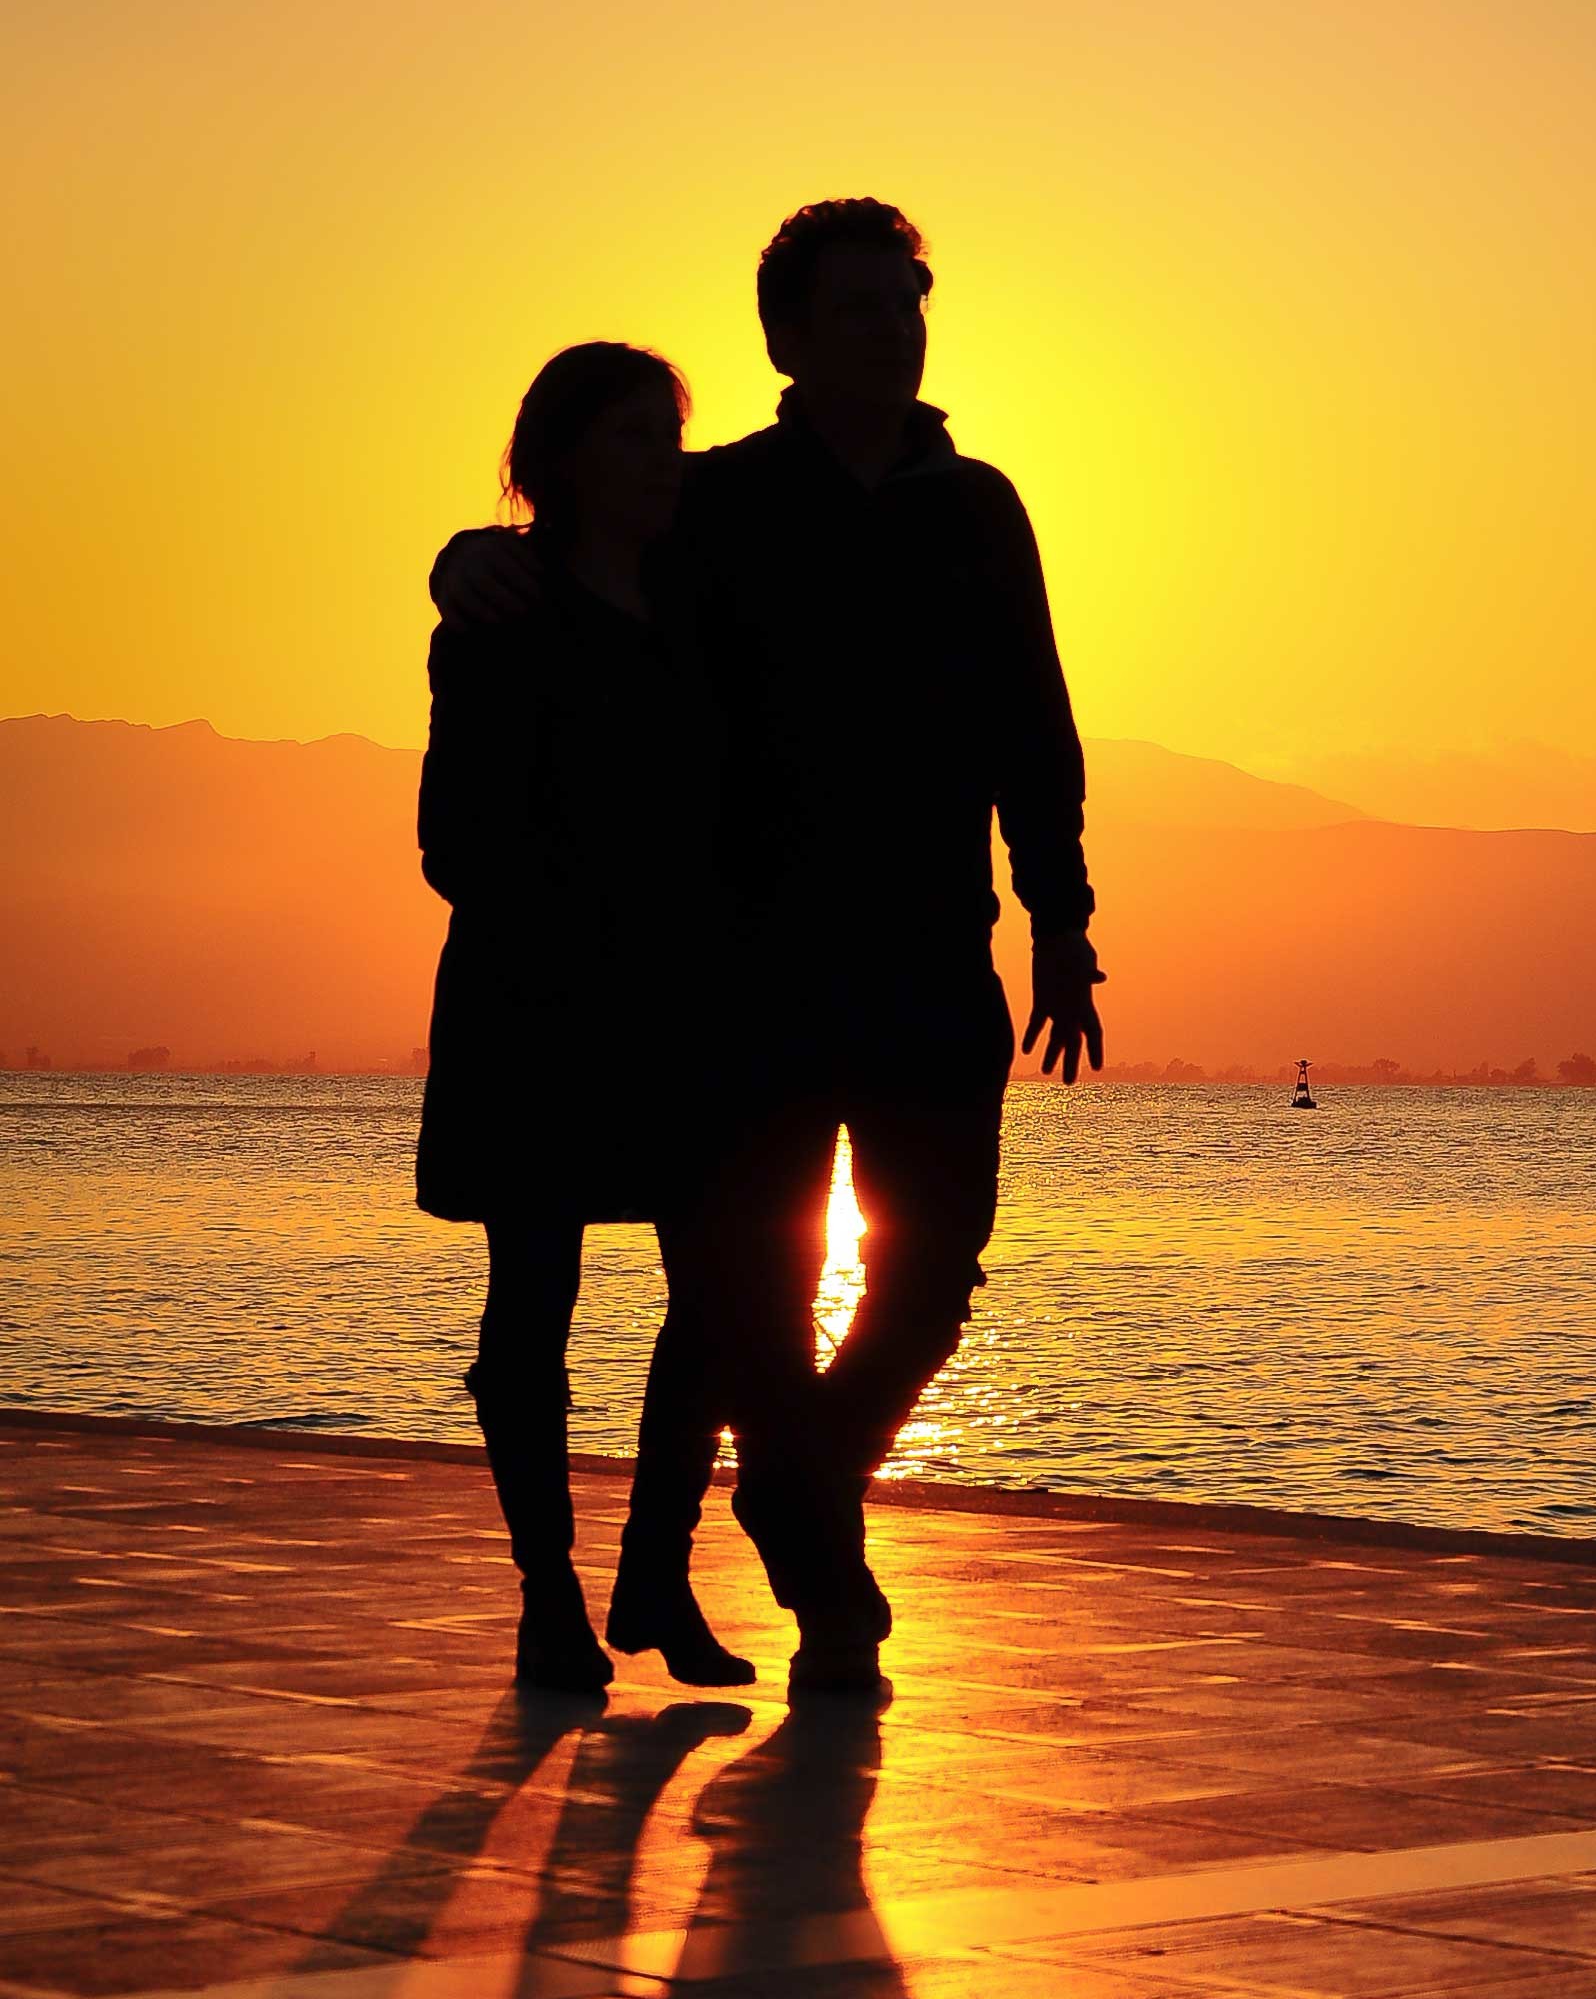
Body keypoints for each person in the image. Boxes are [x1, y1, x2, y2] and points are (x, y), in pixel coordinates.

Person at [434, 201, 1105, 1693]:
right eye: (856, 305)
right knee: (757, 1286)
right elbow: (573, 560)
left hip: (939, 955)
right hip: (752, 971)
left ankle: (803, 1484)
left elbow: (1033, 729)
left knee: (934, 1272)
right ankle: (821, 1583)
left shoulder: (980, 508)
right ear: (788, 337)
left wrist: (1064, 920)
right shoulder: (721, 502)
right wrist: (458, 555)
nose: (891, 323)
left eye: (907, 297)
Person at [416, 340, 755, 1697]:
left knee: (723, 1289)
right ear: (560, 461)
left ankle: (654, 1568)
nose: (662, 459)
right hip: (536, 1003)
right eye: (630, 438)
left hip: (685, 1006)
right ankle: (546, 1588)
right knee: (532, 1302)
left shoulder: (699, 598)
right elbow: (454, 839)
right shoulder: (500, 616)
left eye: (668, 433)